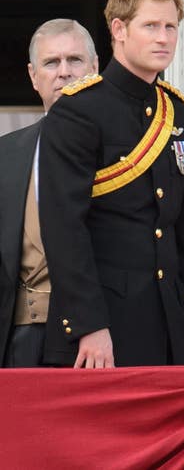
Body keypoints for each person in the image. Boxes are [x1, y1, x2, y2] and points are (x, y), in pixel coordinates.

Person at [38, 0, 184, 367]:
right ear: (119, 30)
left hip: (174, 327)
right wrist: (89, 325)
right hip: (104, 329)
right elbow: (64, 229)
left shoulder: (179, 115)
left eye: (171, 27)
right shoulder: (77, 112)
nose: (163, 38)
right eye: (151, 26)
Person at [0, 19, 98, 367]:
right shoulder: (5, 153)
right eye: (51, 63)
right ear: (32, 75)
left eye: (75, 60)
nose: (64, 73)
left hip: (98, 341)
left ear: (95, 68)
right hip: (18, 343)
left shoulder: (129, 150)